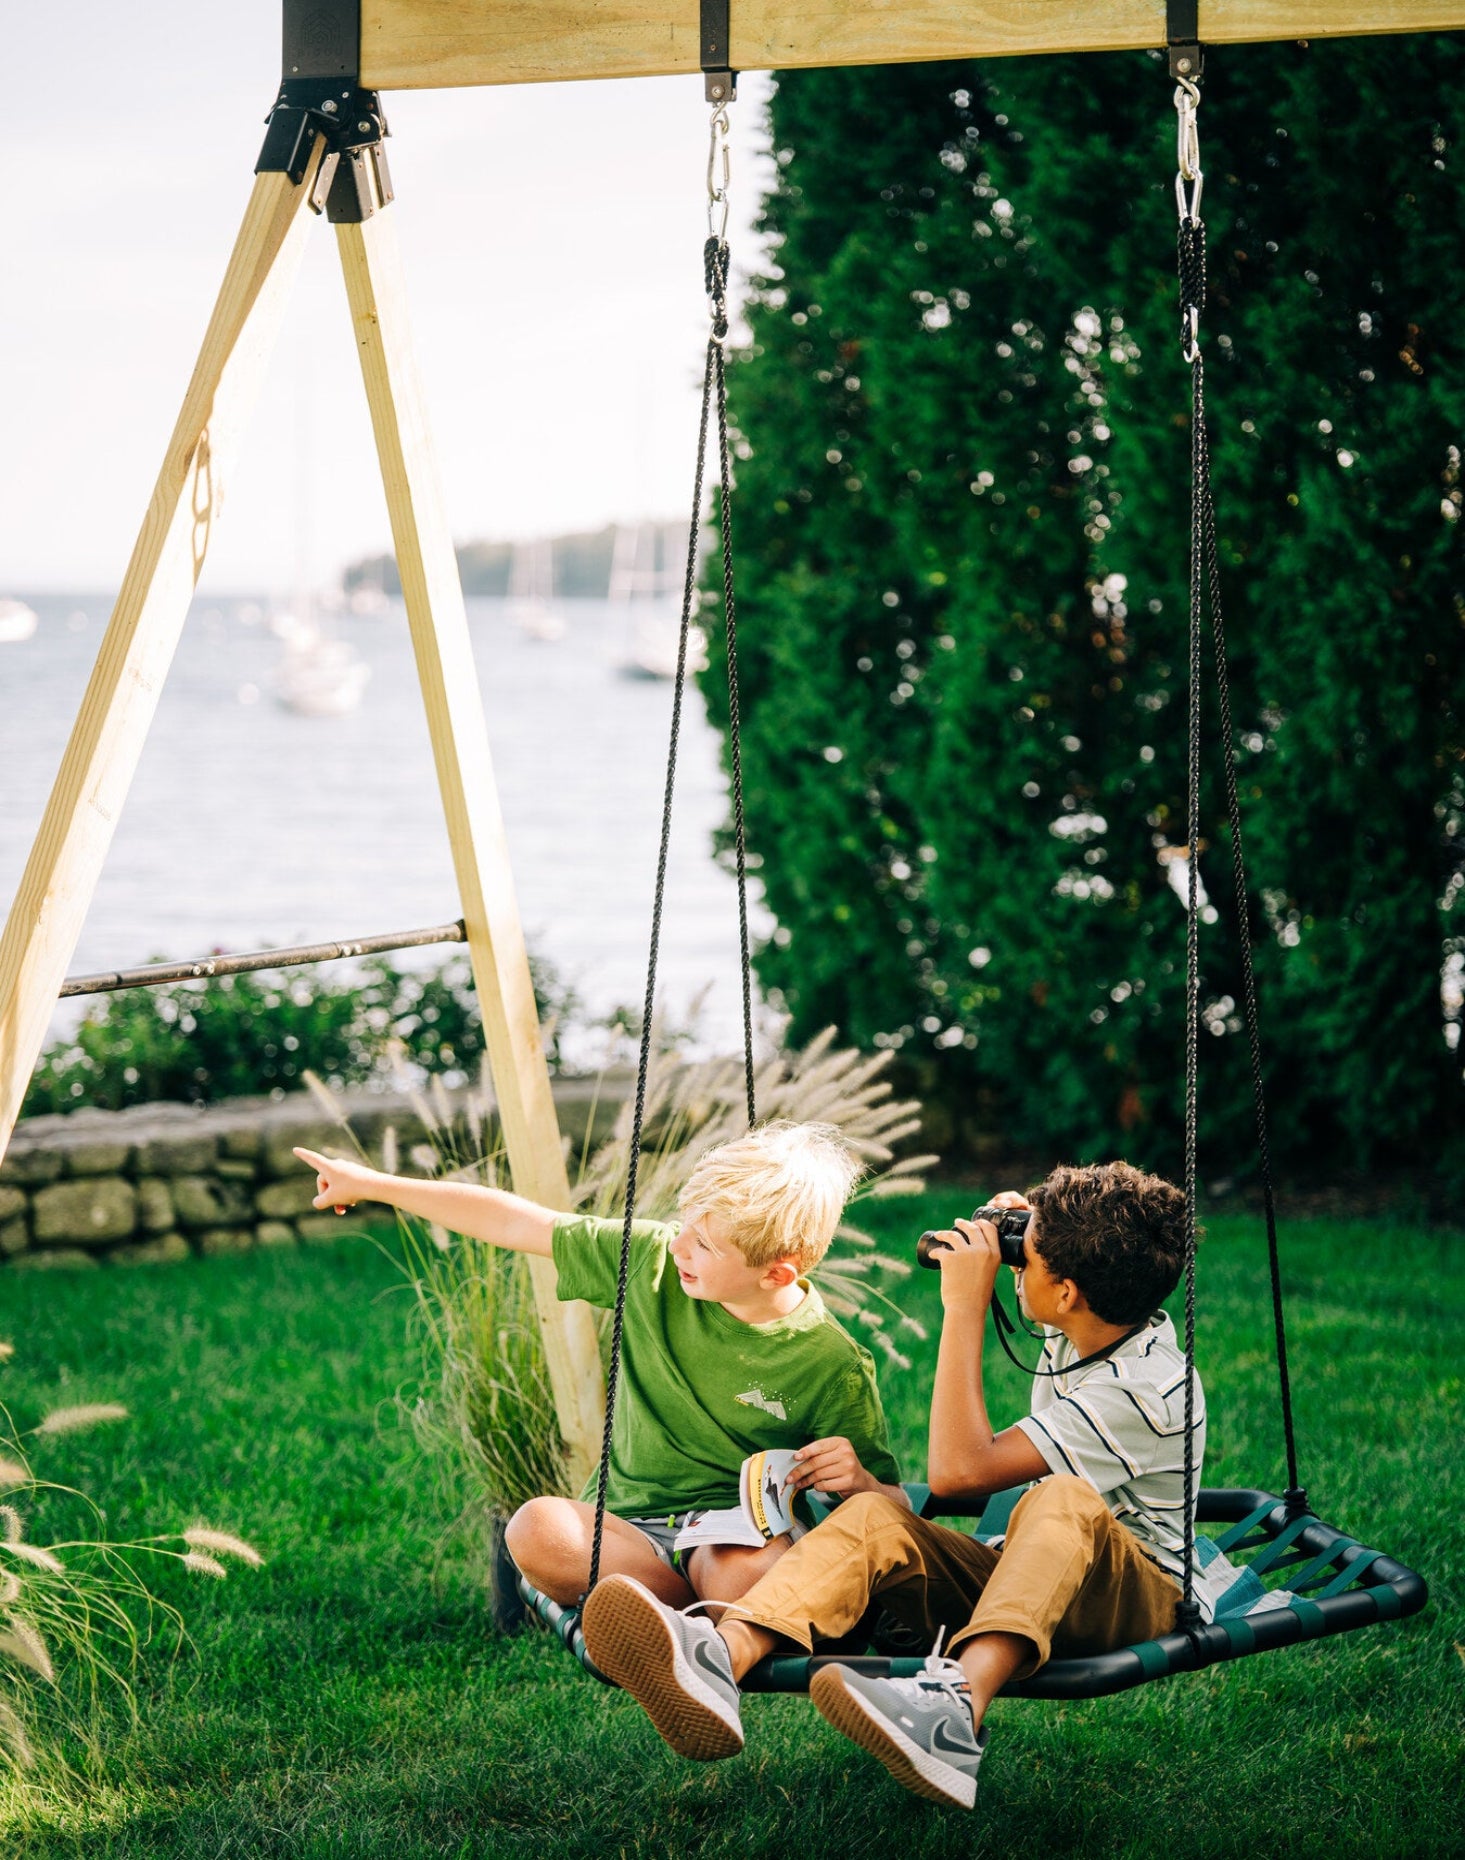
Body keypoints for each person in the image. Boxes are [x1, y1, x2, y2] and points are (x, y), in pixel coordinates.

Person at [581, 1160, 1222, 1812]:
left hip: (1134, 1600)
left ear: (1064, 1294)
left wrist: (963, 1305)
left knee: (1060, 1496)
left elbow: (956, 1472)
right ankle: (719, 1657)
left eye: (1023, 1259)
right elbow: (1076, 1257)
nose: (1013, 1265)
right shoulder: (1094, 1311)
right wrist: (1024, 1230)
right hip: (1025, 1573)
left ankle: (952, 1714)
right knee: (871, 1516)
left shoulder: (1146, 1391)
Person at [294, 1120, 906, 1609]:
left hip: (730, 1539)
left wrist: (860, 1482)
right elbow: (513, 1219)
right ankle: (688, 1636)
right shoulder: (650, 1259)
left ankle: (676, 1631)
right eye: (686, 1226)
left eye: (705, 1244)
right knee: (535, 1528)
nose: (681, 1245)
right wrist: (373, 1184)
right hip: (626, 1530)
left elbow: (895, 1513)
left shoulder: (830, 1361)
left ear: (777, 1273)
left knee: (753, 1580)